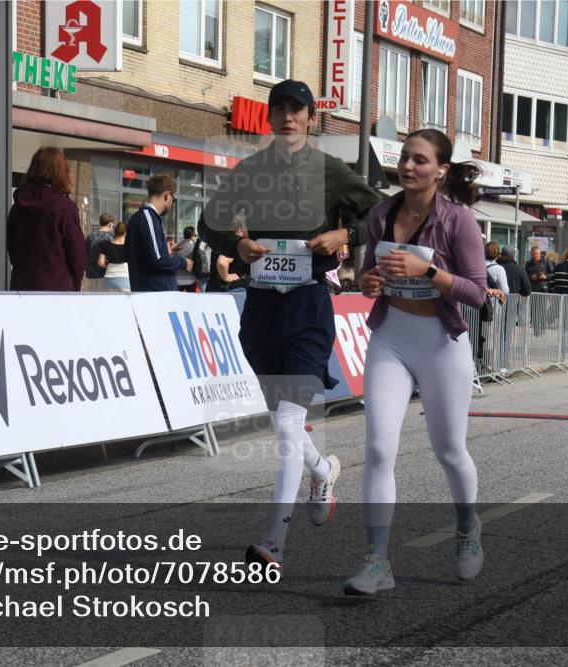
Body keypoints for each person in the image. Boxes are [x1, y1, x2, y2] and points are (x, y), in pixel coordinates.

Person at [200, 78, 382, 570]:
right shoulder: (251, 169)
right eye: (278, 109)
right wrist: (235, 246)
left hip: (308, 306)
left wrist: (345, 232)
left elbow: (382, 213)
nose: (287, 117)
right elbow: (208, 222)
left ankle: (273, 542)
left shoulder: (329, 170)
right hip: (261, 308)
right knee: (283, 424)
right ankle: (322, 471)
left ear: (308, 117)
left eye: (296, 110)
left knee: (286, 422)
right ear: (269, 117)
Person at [349, 128, 487, 594]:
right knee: (378, 449)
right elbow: (370, 272)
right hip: (390, 337)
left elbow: (477, 292)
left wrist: (427, 270)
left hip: (440, 343)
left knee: (449, 451)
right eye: (405, 158)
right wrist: (369, 283)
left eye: (420, 160)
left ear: (440, 170)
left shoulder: (458, 221)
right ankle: (376, 561)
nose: (409, 167)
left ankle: (467, 530)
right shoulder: (380, 213)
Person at [7, 147, 86, 291]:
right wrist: (74, 285)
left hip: (21, 287)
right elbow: (77, 255)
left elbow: (12, 250)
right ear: (61, 172)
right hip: (57, 289)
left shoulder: (18, 206)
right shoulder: (64, 208)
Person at [125, 173, 191, 292]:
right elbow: (158, 260)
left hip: (147, 291)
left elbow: (144, 256)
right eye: (173, 199)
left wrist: (166, 252)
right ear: (167, 195)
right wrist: (183, 262)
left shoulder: (139, 218)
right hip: (156, 293)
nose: (172, 203)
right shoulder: (149, 218)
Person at [206, 216, 248, 293]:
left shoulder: (218, 242)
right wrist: (227, 277)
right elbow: (222, 262)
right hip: (232, 288)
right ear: (239, 230)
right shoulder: (234, 244)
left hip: (213, 287)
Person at [84, 213, 114, 291]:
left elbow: (85, 253)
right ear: (110, 224)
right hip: (104, 274)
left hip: (91, 274)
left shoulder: (90, 237)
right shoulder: (111, 237)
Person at [98, 221, 130, 292]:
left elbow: (100, 262)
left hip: (109, 276)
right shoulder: (129, 246)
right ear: (125, 233)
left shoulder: (105, 244)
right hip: (125, 277)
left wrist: (109, 266)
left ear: (115, 232)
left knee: (109, 300)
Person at [174, 226, 198, 292]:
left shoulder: (178, 245)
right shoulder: (194, 246)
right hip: (191, 279)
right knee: (191, 301)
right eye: (195, 235)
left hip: (177, 279)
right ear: (192, 235)